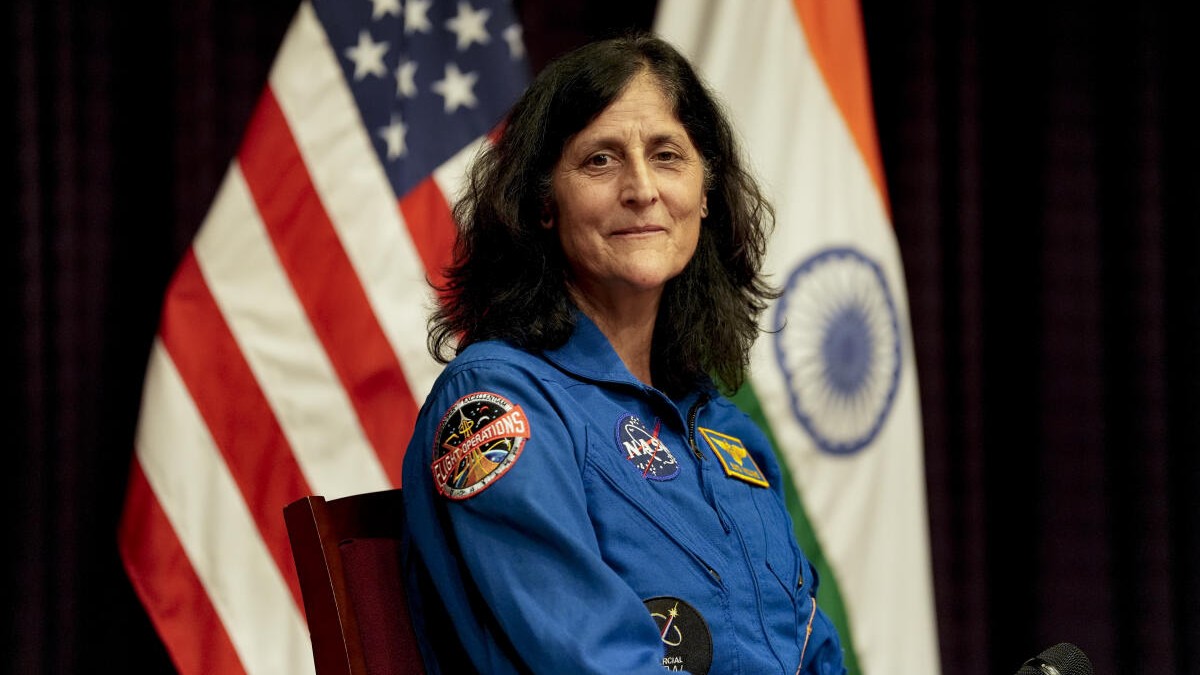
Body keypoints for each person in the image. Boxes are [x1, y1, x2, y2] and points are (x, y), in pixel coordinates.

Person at [401, 33, 847, 674]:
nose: (641, 189)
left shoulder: (724, 427)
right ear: (542, 203)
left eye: (668, 156)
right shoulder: (499, 406)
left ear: (705, 190)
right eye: (600, 161)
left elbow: (813, 654)